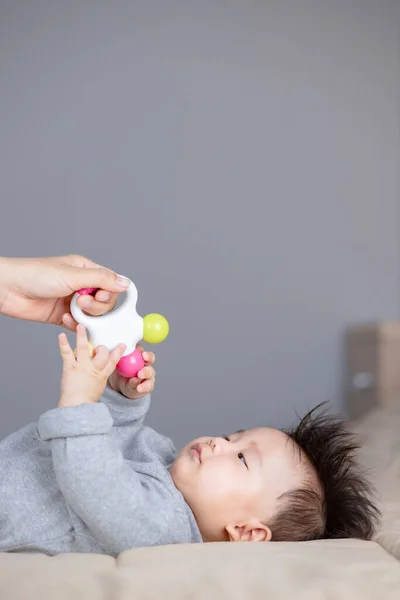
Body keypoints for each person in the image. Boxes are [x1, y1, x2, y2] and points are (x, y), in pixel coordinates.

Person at [0, 256, 380, 556]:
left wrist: (80, 401)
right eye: (234, 437)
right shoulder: (164, 460)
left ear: (246, 532)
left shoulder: (163, 528)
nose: (220, 443)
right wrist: (122, 397)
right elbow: (116, 441)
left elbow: (94, 484)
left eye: (242, 459)